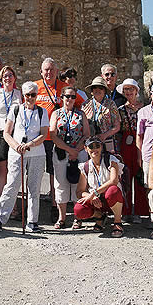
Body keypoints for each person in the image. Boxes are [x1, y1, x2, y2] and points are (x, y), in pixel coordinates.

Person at [0, 81, 49, 233]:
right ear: (23, 95)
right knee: (12, 185)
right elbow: (6, 133)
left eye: (33, 95)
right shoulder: (15, 110)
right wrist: (16, 146)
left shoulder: (42, 112)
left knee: (34, 188)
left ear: (37, 95)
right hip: (17, 153)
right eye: (27, 95)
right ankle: (0, 218)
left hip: (36, 153)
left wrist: (30, 144)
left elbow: (43, 134)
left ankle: (32, 221)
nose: (30, 98)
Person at [49, 86, 90, 229]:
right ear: (62, 98)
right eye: (67, 96)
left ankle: (78, 217)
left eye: (73, 97)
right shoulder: (56, 114)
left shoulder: (81, 114)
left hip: (79, 153)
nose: (70, 99)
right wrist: (68, 150)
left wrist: (76, 150)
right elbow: (53, 135)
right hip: (61, 153)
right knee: (60, 184)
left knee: (78, 184)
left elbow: (86, 134)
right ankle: (62, 217)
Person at [73, 137, 125, 237]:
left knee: (113, 191)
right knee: (78, 209)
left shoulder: (111, 159)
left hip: (112, 197)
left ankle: (117, 222)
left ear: (101, 147)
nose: (94, 149)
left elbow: (114, 181)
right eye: (91, 146)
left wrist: (94, 193)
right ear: (86, 148)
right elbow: (80, 191)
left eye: (97, 146)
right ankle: (99, 216)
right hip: (96, 200)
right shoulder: (85, 166)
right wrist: (90, 196)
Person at [36, 57, 66, 221]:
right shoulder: (35, 87)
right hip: (38, 138)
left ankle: (55, 205)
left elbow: (80, 105)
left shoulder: (64, 88)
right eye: (46, 70)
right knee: (35, 171)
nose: (49, 72)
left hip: (56, 138)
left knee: (55, 172)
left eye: (52, 70)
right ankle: (35, 205)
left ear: (57, 72)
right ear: (41, 72)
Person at [0, 66, 21, 200]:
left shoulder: (19, 94)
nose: (8, 78)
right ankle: (1, 200)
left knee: (13, 168)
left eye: (10, 75)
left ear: (14, 77)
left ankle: (12, 202)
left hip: (14, 134)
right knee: (1, 167)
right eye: (5, 76)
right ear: (1, 79)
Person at [117, 78, 148, 222]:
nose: (128, 92)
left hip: (142, 141)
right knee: (126, 177)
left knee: (140, 176)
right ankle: (126, 211)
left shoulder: (145, 108)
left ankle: (142, 211)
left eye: (131, 89)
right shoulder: (120, 110)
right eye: (126, 90)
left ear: (136, 91)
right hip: (126, 144)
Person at [82, 76, 121, 154]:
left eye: (101, 88)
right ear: (92, 91)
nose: (97, 90)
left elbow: (117, 126)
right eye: (95, 87)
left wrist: (104, 135)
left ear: (104, 91)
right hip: (91, 144)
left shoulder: (111, 104)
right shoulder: (85, 105)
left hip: (107, 141)